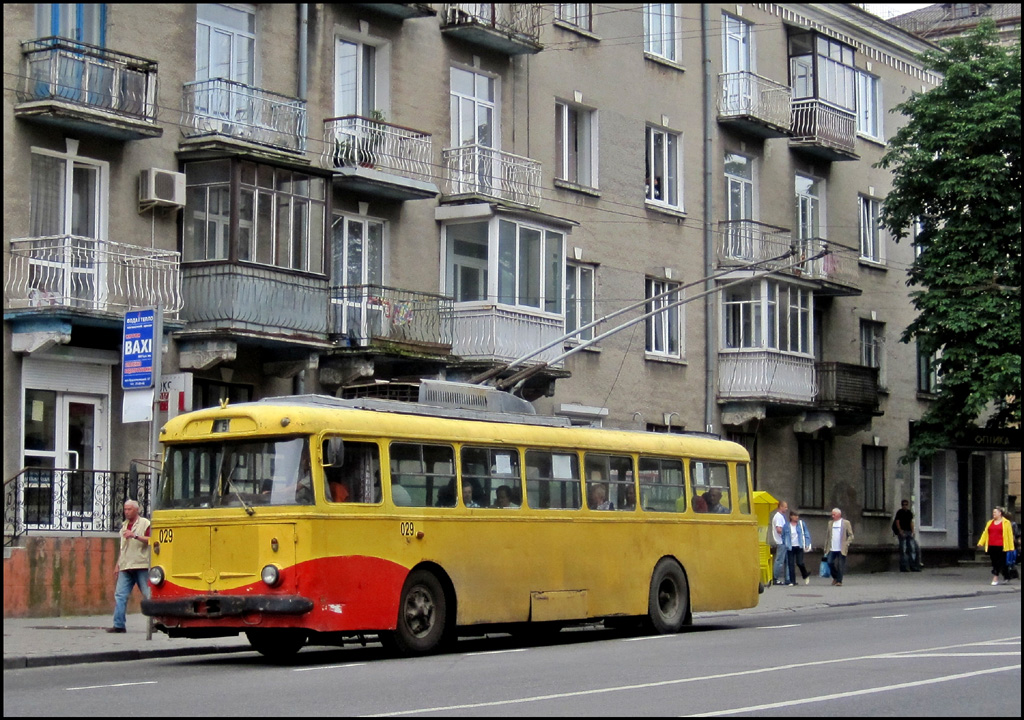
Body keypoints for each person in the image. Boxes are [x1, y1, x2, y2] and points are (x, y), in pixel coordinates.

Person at [107, 499, 151, 633]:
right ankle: (119, 625)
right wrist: (117, 565)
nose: (126, 512)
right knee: (120, 595)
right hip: (126, 565)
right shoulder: (124, 525)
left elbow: (152, 540)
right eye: (125, 509)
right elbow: (122, 548)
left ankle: (155, 623)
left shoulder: (145, 523)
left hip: (141, 564)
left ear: (136, 510)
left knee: (149, 594)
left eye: (129, 509)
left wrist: (135, 535)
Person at [976, 506, 1015, 585]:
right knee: (995, 562)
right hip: (991, 545)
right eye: (993, 512)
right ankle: (1007, 576)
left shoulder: (1006, 523)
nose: (993, 514)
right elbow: (985, 533)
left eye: (995, 512)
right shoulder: (990, 522)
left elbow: (1009, 535)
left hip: (1002, 546)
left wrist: (1011, 547)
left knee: (1000, 562)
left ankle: (995, 577)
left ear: (1000, 513)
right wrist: (981, 542)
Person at [823, 508, 854, 587]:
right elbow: (827, 536)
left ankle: (839, 581)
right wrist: (826, 547)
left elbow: (851, 535)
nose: (832, 516)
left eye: (834, 514)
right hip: (832, 548)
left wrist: (846, 543)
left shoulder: (846, 523)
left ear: (839, 515)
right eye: (832, 514)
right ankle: (835, 577)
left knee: (840, 565)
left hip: (841, 548)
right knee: (829, 562)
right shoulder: (830, 523)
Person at [782, 510, 813, 585]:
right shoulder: (786, 526)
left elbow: (806, 533)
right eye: (795, 516)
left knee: (800, 562)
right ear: (791, 516)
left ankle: (805, 574)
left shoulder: (801, 524)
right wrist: (785, 543)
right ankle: (792, 581)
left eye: (797, 516)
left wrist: (807, 543)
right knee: (791, 564)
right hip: (790, 546)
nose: (797, 517)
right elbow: (783, 535)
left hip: (799, 546)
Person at [893, 499, 921, 572]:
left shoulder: (909, 513)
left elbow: (911, 522)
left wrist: (913, 531)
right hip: (903, 532)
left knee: (912, 549)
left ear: (908, 505)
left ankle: (913, 566)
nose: (905, 506)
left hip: (909, 532)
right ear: (902, 505)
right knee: (903, 550)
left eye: (906, 504)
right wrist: (900, 530)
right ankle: (904, 567)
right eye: (903, 505)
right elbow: (897, 521)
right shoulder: (899, 512)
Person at [771, 500, 789, 585]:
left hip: (782, 541)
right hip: (781, 541)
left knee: (784, 560)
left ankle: (787, 578)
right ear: (780, 507)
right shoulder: (778, 517)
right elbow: (779, 529)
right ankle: (775, 578)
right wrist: (787, 533)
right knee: (779, 561)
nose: (786, 508)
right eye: (785, 507)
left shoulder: (780, 516)